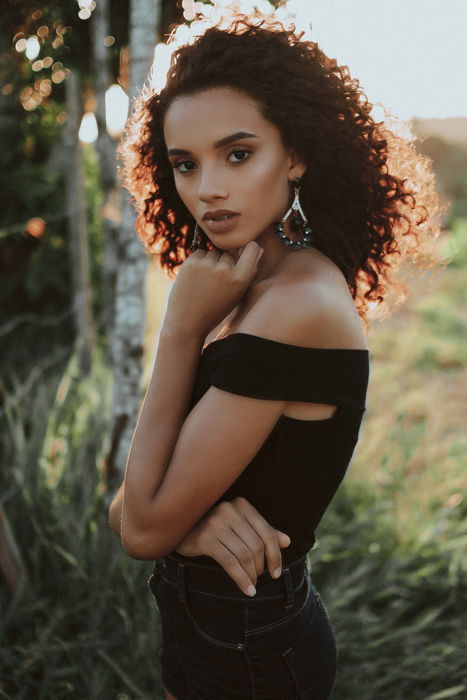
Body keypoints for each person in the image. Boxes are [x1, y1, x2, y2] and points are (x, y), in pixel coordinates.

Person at [108, 8, 441, 699]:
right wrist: (187, 522)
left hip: (251, 648)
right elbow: (134, 508)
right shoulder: (256, 279)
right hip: (213, 626)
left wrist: (178, 331)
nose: (207, 190)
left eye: (237, 154)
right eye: (184, 164)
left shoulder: (298, 306)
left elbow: (137, 524)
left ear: (294, 152)